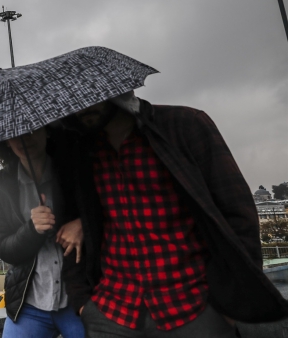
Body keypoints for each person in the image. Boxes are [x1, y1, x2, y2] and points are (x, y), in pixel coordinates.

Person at [61, 92, 288, 337]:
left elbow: (237, 213)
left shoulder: (183, 125)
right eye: (75, 102)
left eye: (91, 97)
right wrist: (84, 304)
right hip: (111, 311)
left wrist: (229, 306)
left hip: (194, 307)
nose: (82, 108)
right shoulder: (81, 148)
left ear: (119, 90)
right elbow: (68, 225)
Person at [0, 127, 85, 338]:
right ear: (5, 141)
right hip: (29, 305)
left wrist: (82, 225)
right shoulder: (0, 186)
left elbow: (102, 211)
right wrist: (31, 230)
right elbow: (4, 248)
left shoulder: (73, 172)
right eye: (15, 132)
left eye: (32, 130)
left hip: (77, 299)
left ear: (48, 130)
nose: (24, 139)